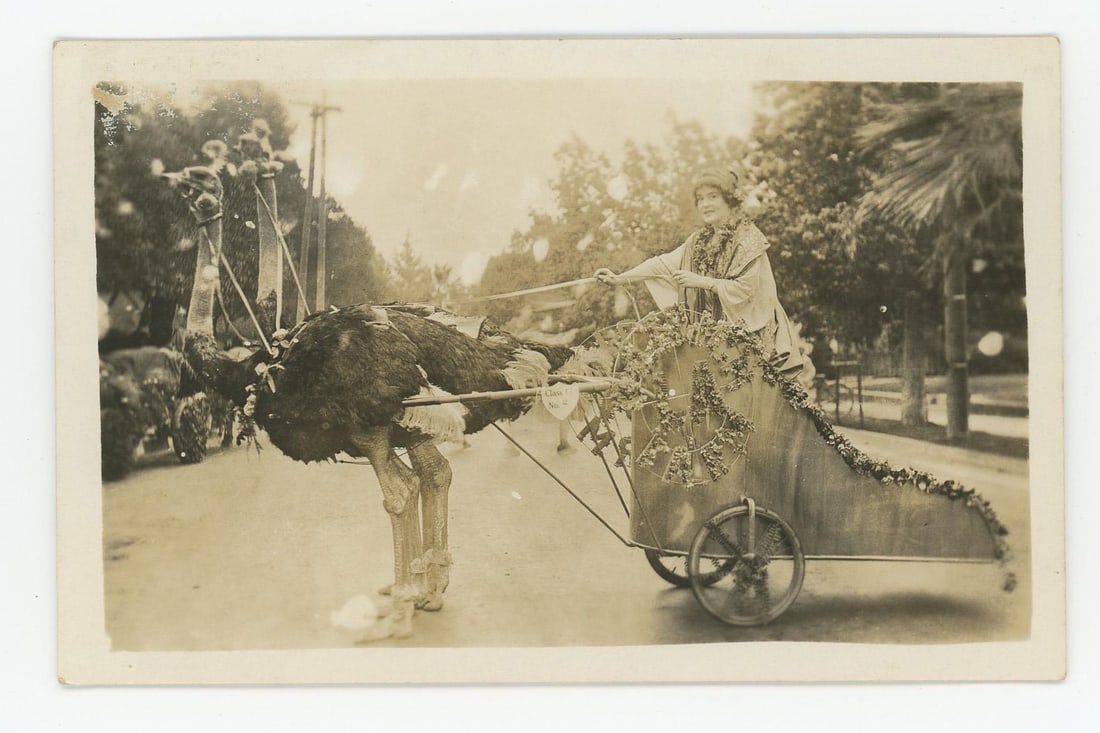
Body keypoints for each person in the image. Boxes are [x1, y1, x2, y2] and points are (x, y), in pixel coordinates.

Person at [594, 166, 814, 384]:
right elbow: (660, 265)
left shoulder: (748, 238)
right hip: (711, 341)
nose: (705, 204)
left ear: (729, 199)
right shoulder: (699, 241)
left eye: (713, 196)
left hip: (753, 337)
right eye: (700, 199)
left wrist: (701, 282)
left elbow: (746, 291)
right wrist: (619, 278)